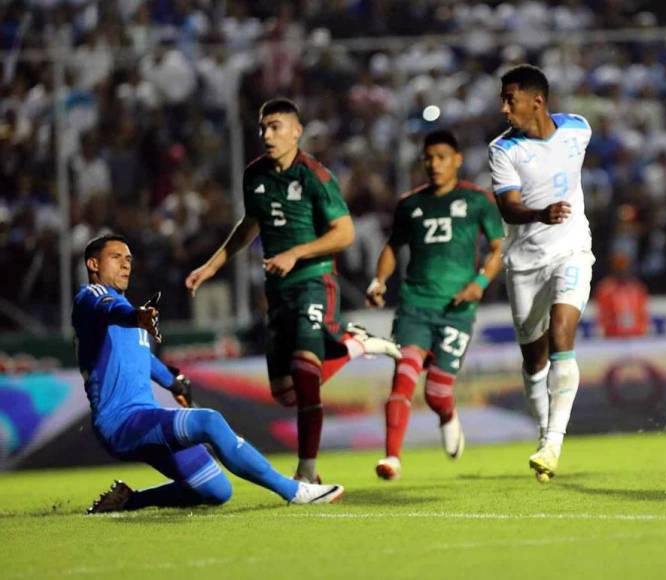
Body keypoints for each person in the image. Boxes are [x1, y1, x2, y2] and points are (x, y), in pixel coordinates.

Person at [185, 98, 400, 484]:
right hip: (279, 290)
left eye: (276, 127)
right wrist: (212, 264)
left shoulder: (316, 176)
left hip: (315, 282)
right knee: (286, 393)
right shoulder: (255, 175)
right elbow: (251, 223)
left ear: (296, 131)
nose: (267, 135)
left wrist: (296, 252)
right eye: (263, 128)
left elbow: (345, 233)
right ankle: (356, 345)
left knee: (305, 370)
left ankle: (308, 472)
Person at [75, 234, 344, 513]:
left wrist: (175, 382)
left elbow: (144, 360)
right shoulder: (91, 298)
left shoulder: (129, 311)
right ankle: (295, 490)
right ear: (93, 264)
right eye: (116, 257)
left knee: (216, 490)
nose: (126, 265)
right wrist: (135, 317)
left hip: (142, 418)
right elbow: (109, 308)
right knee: (209, 422)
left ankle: (130, 500)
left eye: (129, 258)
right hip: (122, 422)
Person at [366, 130, 505, 480]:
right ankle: (392, 458)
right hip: (414, 305)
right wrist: (379, 280)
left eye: (442, 156)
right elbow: (391, 246)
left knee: (436, 392)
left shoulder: (477, 200)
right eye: (428, 157)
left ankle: (447, 414)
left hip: (456, 311)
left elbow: (498, 249)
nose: (434, 164)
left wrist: (480, 284)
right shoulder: (410, 204)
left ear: (457, 159)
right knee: (403, 377)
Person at [488, 65, 595, 482]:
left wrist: (560, 217)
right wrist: (540, 213)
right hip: (525, 263)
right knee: (534, 361)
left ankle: (553, 444)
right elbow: (507, 206)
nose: (503, 107)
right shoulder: (503, 149)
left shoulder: (578, 129)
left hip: (572, 251)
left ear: (537, 101)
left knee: (562, 335)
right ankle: (542, 431)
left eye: (509, 99)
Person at [594, 252, 649, 338]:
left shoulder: (637, 288)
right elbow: (602, 314)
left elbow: (642, 312)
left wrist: (642, 329)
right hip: (614, 335)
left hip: (636, 334)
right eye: (619, 268)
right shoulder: (606, 289)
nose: (623, 271)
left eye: (625, 268)